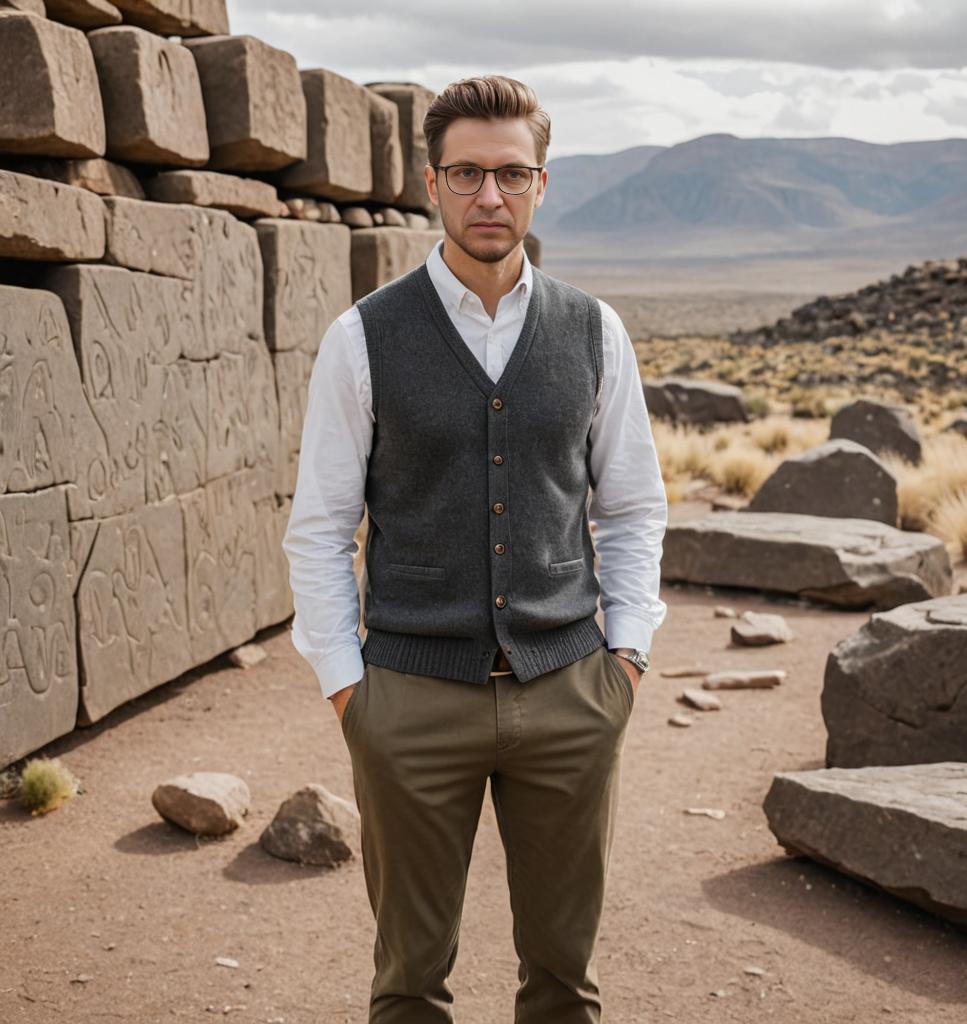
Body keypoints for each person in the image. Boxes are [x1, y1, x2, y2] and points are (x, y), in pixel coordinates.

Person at [282, 73, 668, 1023]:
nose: (488, 197)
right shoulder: (361, 337)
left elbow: (632, 507)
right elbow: (322, 527)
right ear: (431, 183)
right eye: (466, 174)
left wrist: (626, 658)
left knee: (565, 981)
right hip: (409, 697)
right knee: (409, 983)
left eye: (510, 174)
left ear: (542, 184)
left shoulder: (595, 331)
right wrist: (349, 688)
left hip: (571, 686)